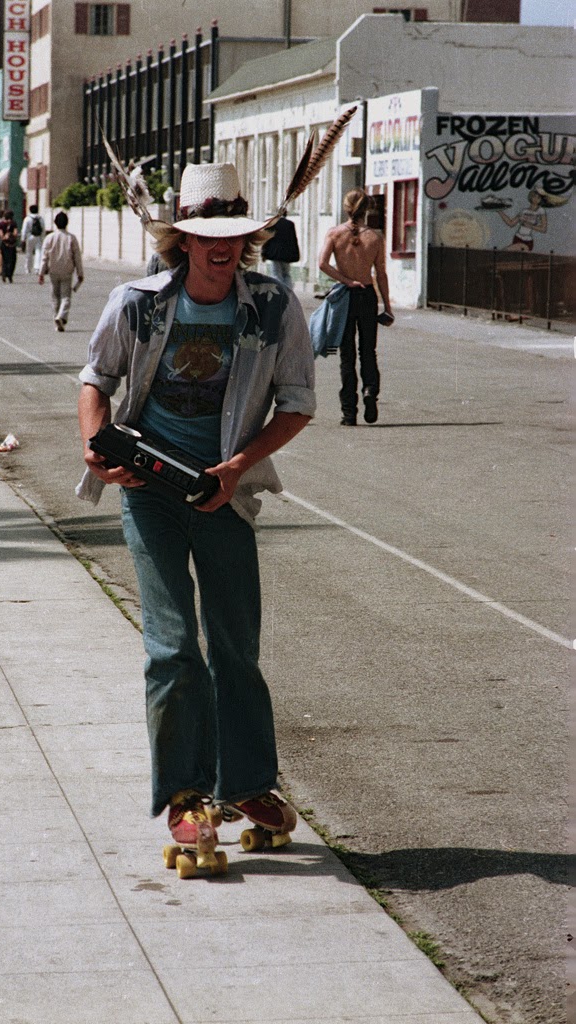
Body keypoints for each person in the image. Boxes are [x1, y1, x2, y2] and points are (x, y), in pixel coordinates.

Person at [77, 163, 315, 863]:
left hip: (226, 494)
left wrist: (237, 467)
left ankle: (244, 783)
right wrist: (95, 447)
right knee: (174, 644)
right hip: (150, 492)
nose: (222, 247)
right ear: (180, 237)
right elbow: (96, 377)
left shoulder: (273, 307)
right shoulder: (138, 302)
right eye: (206, 234)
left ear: (248, 239)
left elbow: (297, 402)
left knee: (236, 645)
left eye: (235, 235)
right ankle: (186, 793)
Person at [317, 188, 393, 426]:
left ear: (346, 208)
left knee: (347, 355)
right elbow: (381, 274)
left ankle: (349, 412)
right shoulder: (375, 237)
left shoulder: (334, 234)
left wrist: (346, 280)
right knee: (368, 351)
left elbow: (322, 263)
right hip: (367, 295)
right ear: (366, 210)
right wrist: (387, 306)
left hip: (346, 297)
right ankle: (370, 391)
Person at [38, 210, 83, 331]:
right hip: (67, 271)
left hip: (53, 271)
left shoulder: (49, 238)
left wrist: (41, 273)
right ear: (66, 223)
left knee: (55, 297)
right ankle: (61, 316)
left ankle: (57, 318)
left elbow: (44, 257)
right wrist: (80, 273)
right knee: (65, 297)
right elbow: (77, 257)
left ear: (55, 223)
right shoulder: (71, 238)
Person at [261, 209, 300, 289]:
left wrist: (263, 253)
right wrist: (295, 254)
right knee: (286, 274)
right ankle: (288, 291)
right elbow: (293, 239)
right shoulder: (290, 224)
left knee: (276, 274)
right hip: (286, 254)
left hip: (274, 253)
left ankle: (279, 292)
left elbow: (266, 239)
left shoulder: (271, 224)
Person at [21, 203, 45, 274]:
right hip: (38, 237)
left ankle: (28, 268)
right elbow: (43, 229)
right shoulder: (41, 218)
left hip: (29, 236)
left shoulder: (27, 218)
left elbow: (24, 229)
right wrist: (42, 238)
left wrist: (23, 239)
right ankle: (37, 268)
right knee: (38, 252)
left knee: (29, 252)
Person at [0, 209, 19, 283]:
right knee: (12, 260)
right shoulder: (13, 223)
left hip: (4, 244)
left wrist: (5, 237)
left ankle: (4, 274)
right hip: (12, 244)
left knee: (4, 260)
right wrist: (12, 235)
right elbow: (16, 233)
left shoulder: (1, 224)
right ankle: (10, 275)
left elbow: (0, 234)